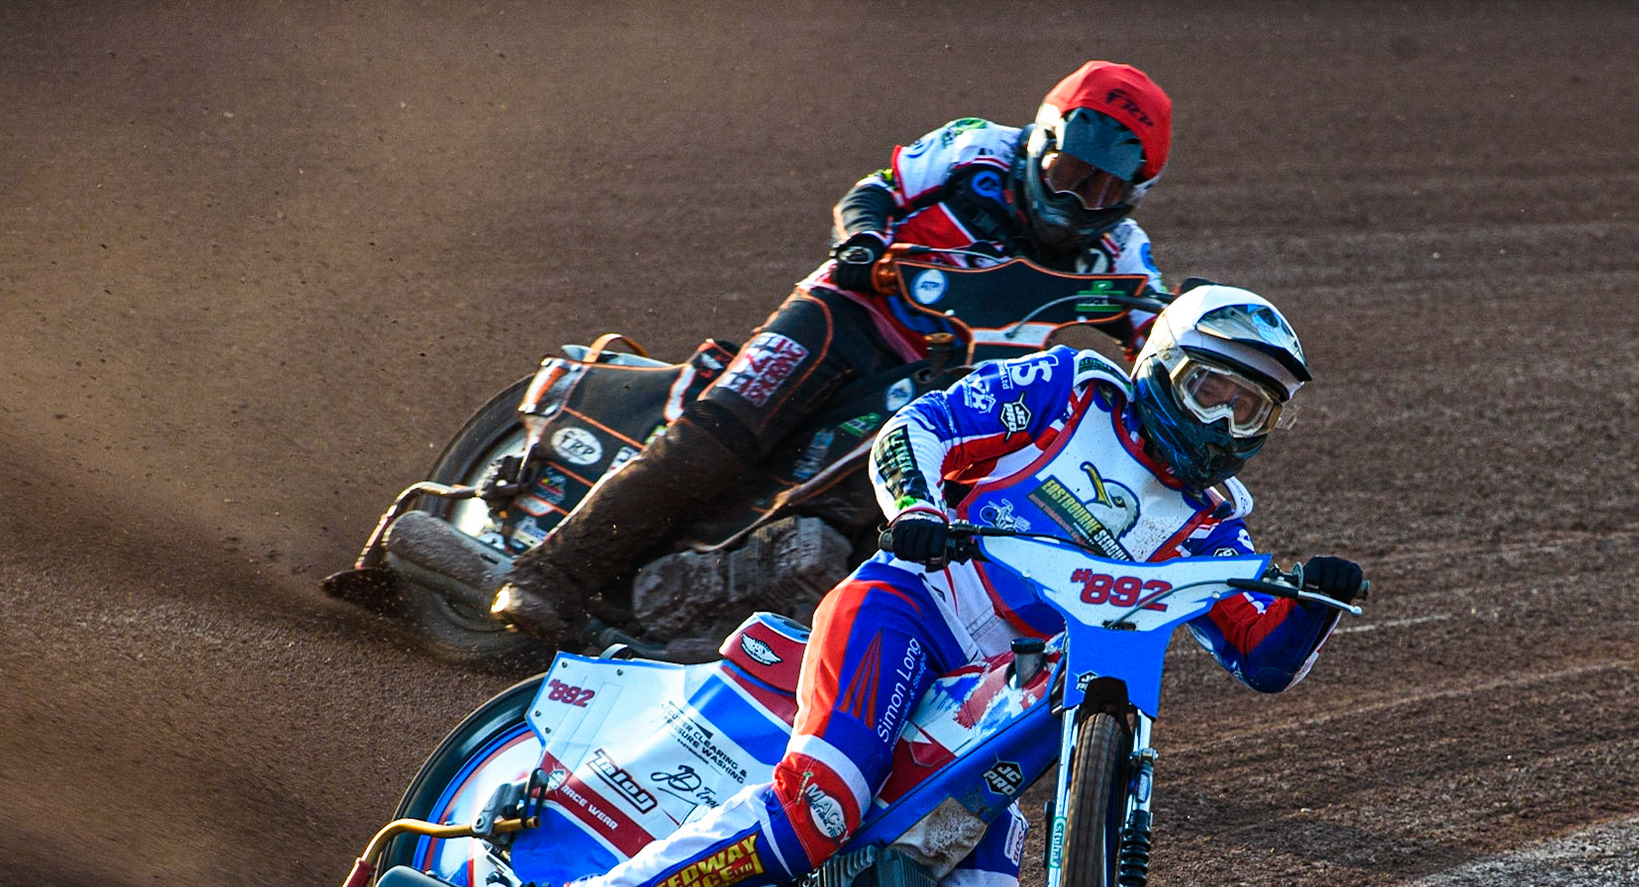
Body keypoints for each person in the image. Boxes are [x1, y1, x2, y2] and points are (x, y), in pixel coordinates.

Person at [515, 284, 1366, 887]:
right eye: (1208, 389)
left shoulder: (1212, 527)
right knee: (820, 805)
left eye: (1247, 409)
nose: (1220, 421)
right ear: (1160, 363)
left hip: (1003, 699)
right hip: (908, 611)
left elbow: (1265, 661)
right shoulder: (1069, 392)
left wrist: (1313, 607)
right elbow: (918, 429)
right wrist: (915, 505)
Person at [490, 61, 1176, 644]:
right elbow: (877, 189)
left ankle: (728, 615)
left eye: (1107, 189)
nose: (1081, 199)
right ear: (1040, 141)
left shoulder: (1120, 254)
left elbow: (1157, 337)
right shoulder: (975, 148)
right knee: (716, 441)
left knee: (906, 508)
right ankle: (549, 573)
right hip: (848, 314)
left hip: (945, 382)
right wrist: (862, 239)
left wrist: (1184, 345)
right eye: (1069, 172)